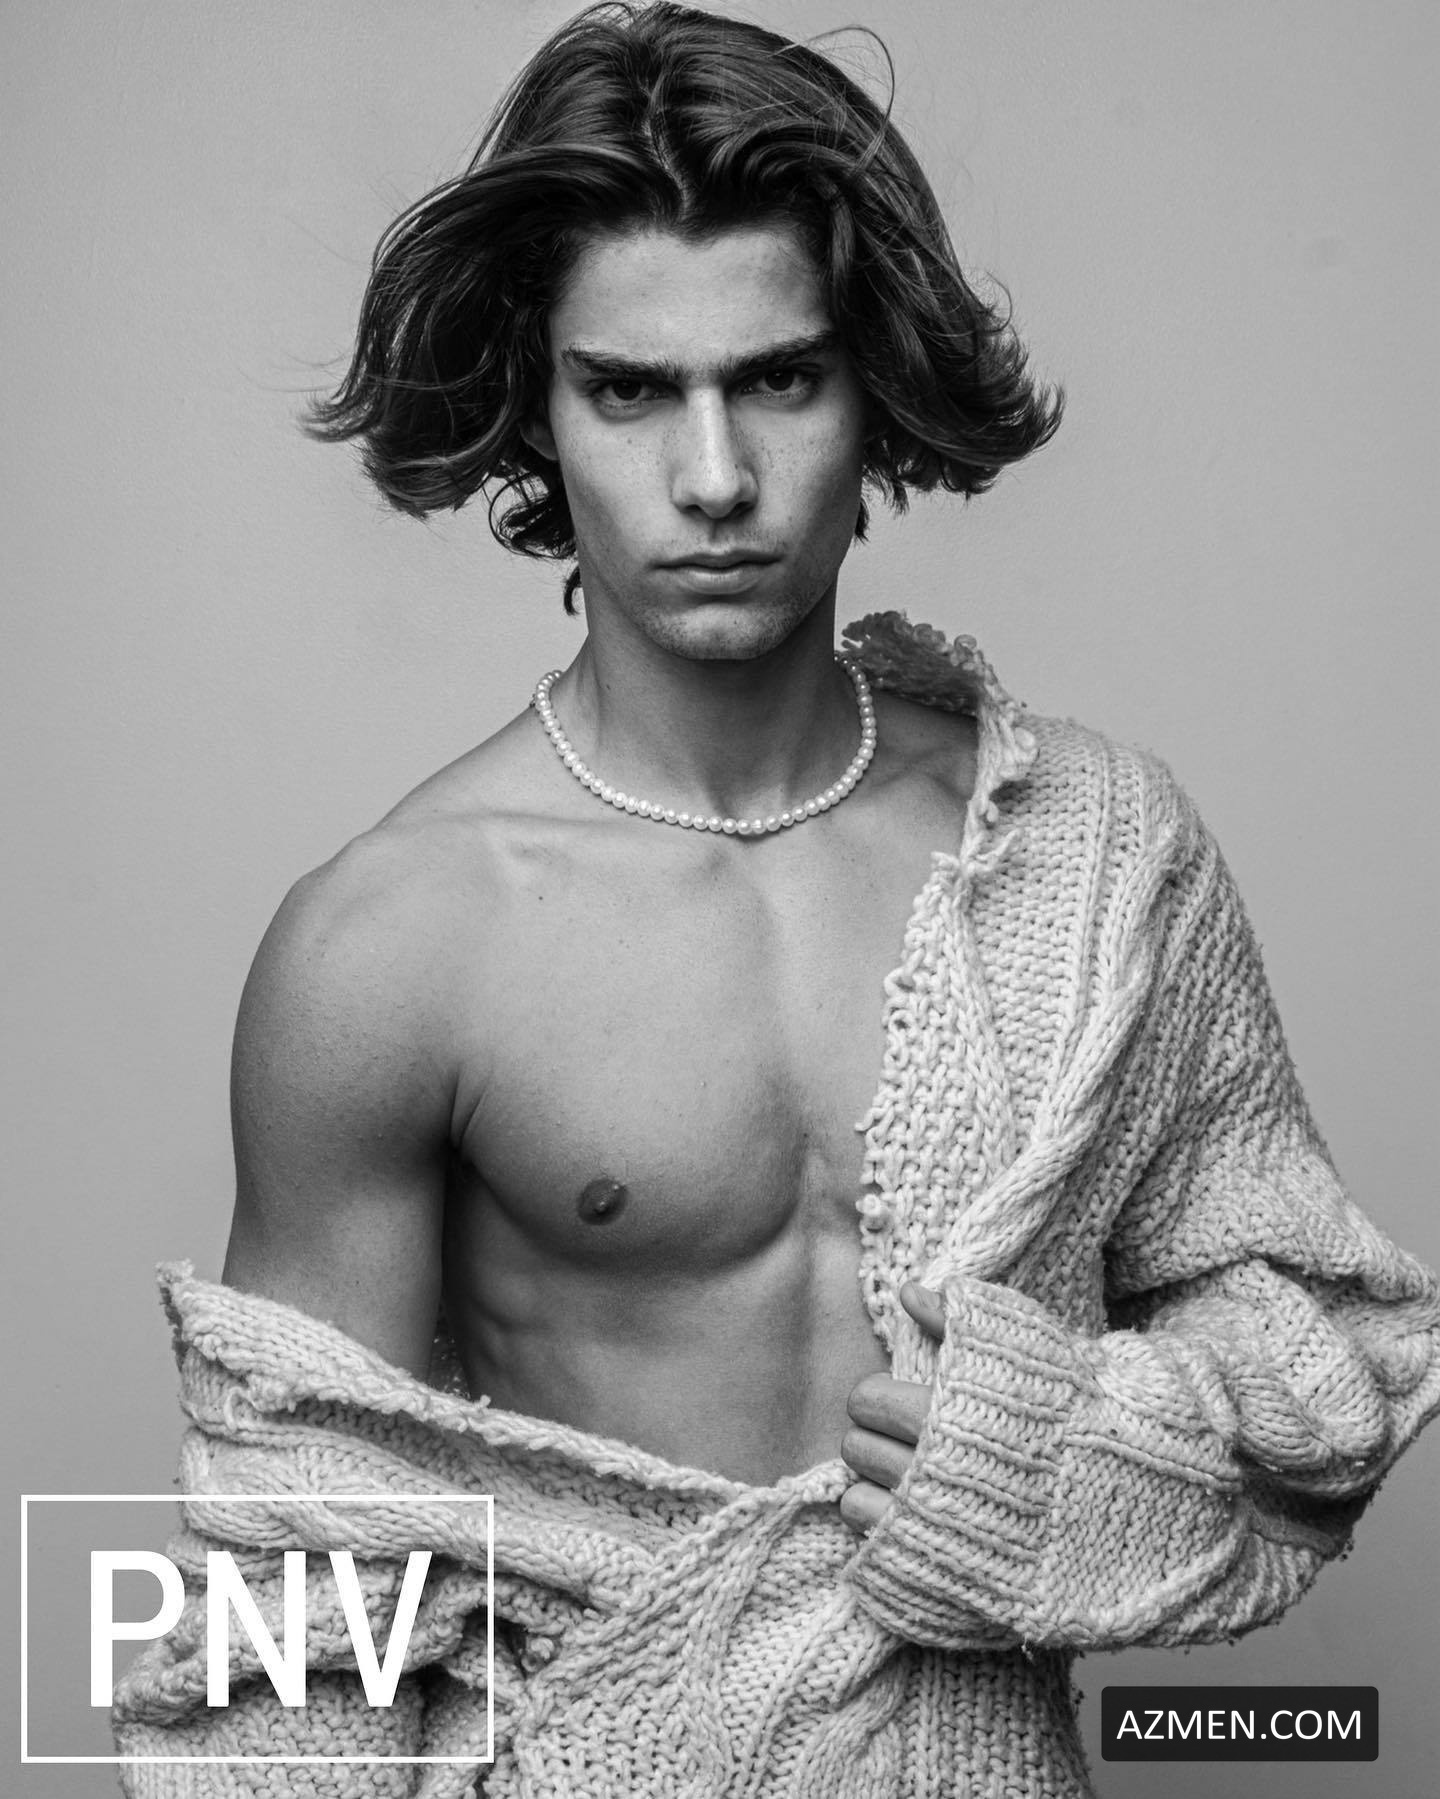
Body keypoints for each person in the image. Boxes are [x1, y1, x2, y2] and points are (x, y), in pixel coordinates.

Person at [113, 5, 1440, 1795]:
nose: (716, 477)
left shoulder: (1094, 862)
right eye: (629, 390)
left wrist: (1074, 1455)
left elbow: (1333, 1336)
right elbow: (299, 1602)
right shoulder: (393, 940)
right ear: (536, 412)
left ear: (874, 385)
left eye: (781, 381)